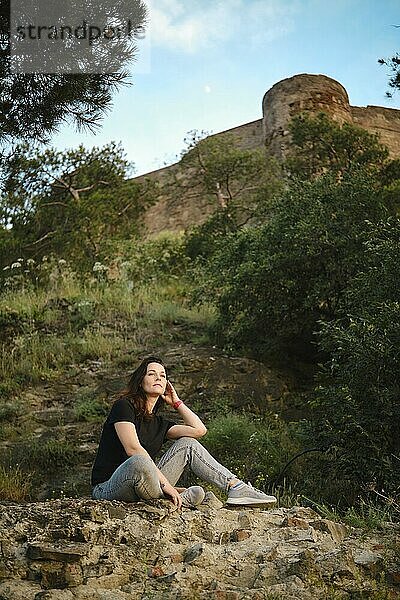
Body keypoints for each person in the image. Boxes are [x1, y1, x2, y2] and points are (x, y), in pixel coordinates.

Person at [91, 356, 277, 509]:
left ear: (166, 384)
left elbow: (199, 430)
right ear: (140, 381)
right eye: (152, 374)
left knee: (188, 443)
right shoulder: (124, 406)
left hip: (147, 484)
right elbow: (133, 449)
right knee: (139, 460)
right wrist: (167, 486)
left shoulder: (159, 423)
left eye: (163, 376)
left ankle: (235, 487)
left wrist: (177, 403)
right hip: (109, 487)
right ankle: (172, 498)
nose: (158, 378)